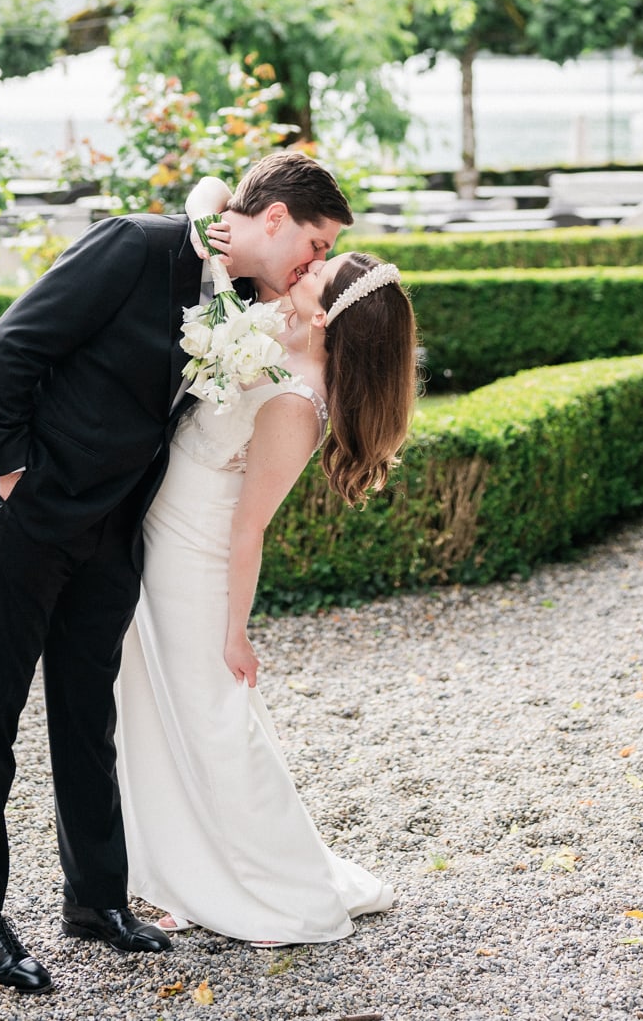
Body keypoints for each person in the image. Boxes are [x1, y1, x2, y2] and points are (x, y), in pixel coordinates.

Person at [0, 153, 353, 994]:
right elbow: (12, 343)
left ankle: (94, 899)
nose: (314, 265)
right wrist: (10, 467)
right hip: (34, 509)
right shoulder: (135, 245)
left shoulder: (239, 301)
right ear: (273, 220)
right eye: (313, 244)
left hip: (115, 526)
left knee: (89, 713)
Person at [115, 243, 417, 946]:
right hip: (163, 534)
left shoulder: (295, 402)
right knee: (161, 713)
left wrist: (236, 632)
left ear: (330, 316)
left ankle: (271, 885)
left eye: (320, 273)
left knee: (214, 720)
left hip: (194, 560)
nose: (305, 269)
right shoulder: (277, 339)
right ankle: (190, 869)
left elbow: (249, 527)